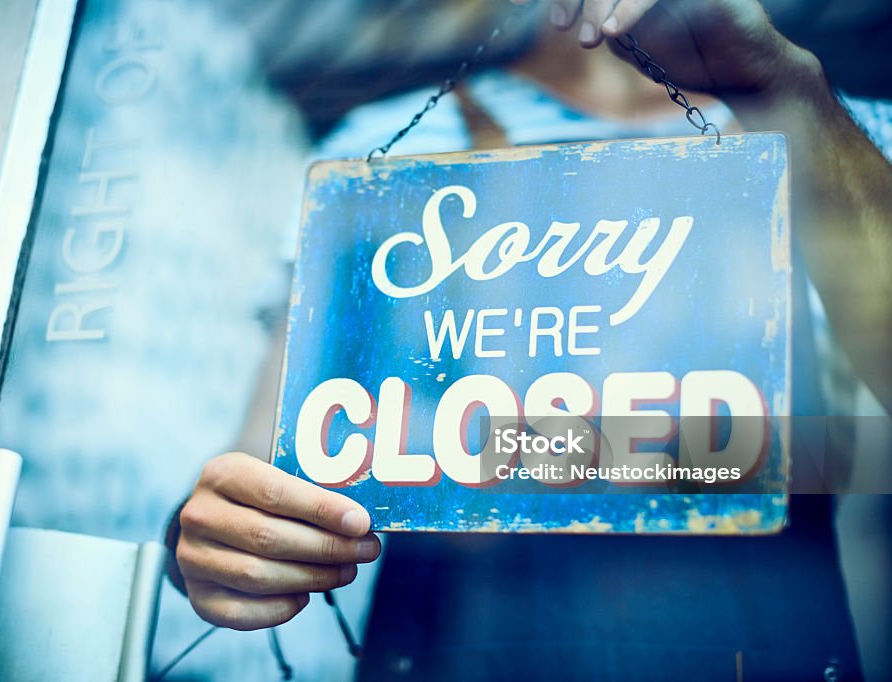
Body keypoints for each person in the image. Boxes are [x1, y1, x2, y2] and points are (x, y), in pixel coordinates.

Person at [166, 0, 892, 678]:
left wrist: (779, 85)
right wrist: (217, 540)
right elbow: (264, 463)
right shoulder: (381, 149)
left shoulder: (845, 133)